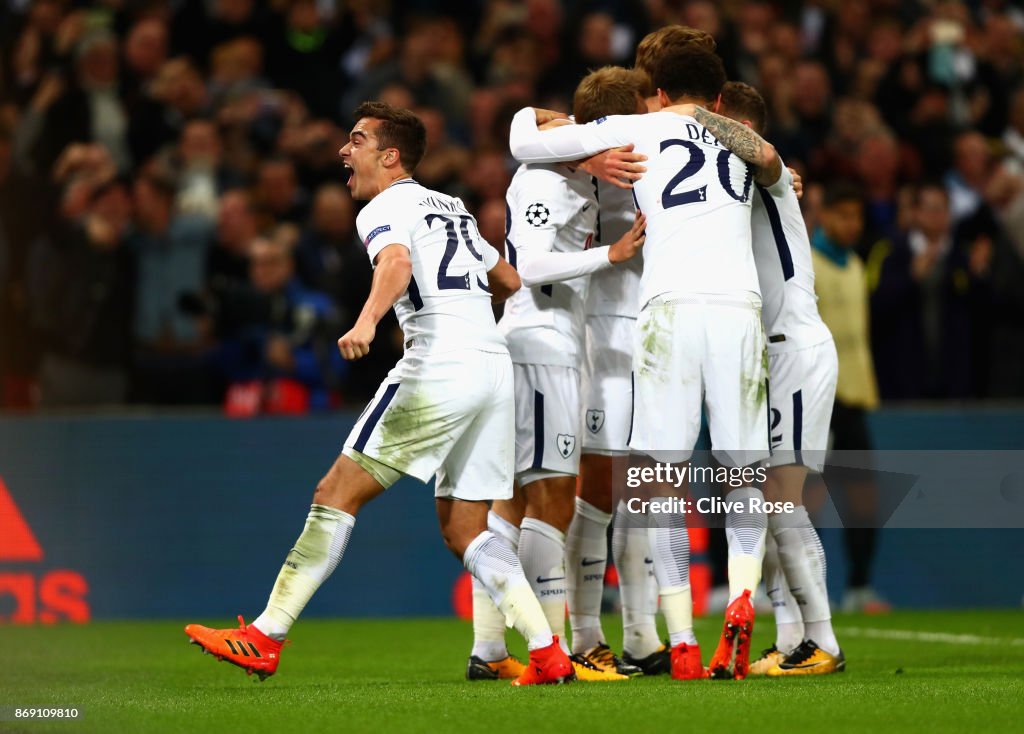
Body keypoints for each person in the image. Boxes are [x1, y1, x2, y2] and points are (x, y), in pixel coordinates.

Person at [185, 102, 573, 686]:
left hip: (439, 364)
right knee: (467, 529)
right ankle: (547, 654)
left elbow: (395, 261)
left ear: (390, 157)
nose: (346, 150)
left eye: (357, 140)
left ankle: (265, 636)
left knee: (336, 491)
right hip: (495, 368)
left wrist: (368, 319)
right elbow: (509, 278)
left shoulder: (386, 205)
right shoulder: (453, 207)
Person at [508, 45, 780, 681]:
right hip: (613, 331)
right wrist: (582, 150)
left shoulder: (641, 133)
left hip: (657, 320)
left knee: (646, 489)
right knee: (608, 493)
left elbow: (524, 129)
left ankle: (647, 636)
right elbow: (524, 136)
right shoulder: (593, 156)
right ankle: (584, 635)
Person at [467, 67, 646, 684]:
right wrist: (612, 254)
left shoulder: (575, 173)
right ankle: (557, 652)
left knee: (511, 501)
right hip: (538, 341)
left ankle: (489, 651)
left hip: (546, 342)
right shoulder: (544, 175)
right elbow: (534, 265)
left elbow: (529, 122)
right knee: (550, 496)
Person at [719, 81, 845, 676]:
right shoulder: (726, 188)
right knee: (761, 507)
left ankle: (823, 642)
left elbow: (763, 158)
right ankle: (791, 636)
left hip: (793, 347)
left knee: (781, 500)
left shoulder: (764, 170)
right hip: (766, 357)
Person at [810, 182, 887, 615]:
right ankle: (787, 587)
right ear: (825, 217)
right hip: (822, 397)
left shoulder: (856, 265)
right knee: (804, 498)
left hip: (854, 397)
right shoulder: (809, 264)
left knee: (863, 498)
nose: (852, 225)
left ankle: (858, 586)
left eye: (857, 217)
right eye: (844, 216)